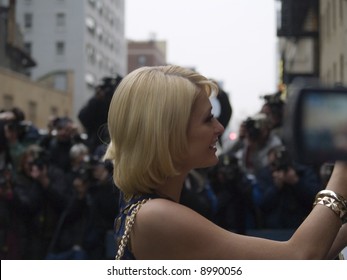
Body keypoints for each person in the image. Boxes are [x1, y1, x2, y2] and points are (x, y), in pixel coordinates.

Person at [104, 65, 347, 260]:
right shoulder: (156, 216)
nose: (220, 128)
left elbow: (306, 252)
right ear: (169, 133)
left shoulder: (145, 209)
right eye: (208, 119)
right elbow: (298, 257)